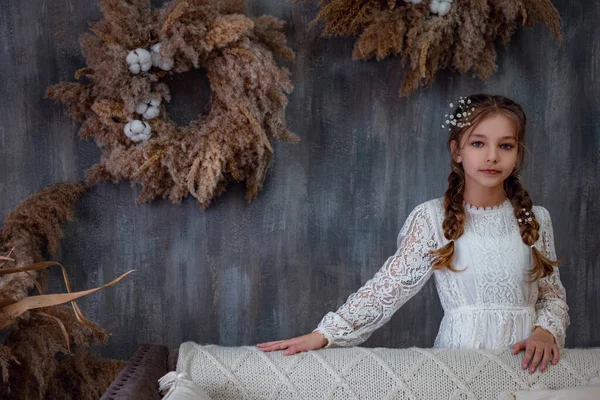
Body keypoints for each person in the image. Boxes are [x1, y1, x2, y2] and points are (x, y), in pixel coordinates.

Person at [257, 94, 569, 374]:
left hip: (527, 367)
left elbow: (552, 296)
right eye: (478, 143)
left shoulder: (536, 218)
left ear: (517, 152)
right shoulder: (433, 218)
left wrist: (546, 331)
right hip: (459, 364)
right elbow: (386, 289)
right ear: (456, 151)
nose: (492, 156)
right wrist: (324, 335)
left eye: (505, 145)